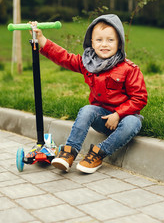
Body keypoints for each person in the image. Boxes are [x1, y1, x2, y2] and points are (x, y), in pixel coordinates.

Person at [29, 14, 148, 174]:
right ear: (91, 43)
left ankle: (97, 154)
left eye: (110, 40)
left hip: (125, 117)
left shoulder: (129, 68)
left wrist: (118, 114)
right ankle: (69, 153)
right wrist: (41, 39)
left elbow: (139, 98)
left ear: (119, 42)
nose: (104, 45)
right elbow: (64, 57)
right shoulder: (88, 64)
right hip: (102, 118)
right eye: (99, 40)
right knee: (87, 110)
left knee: (133, 123)